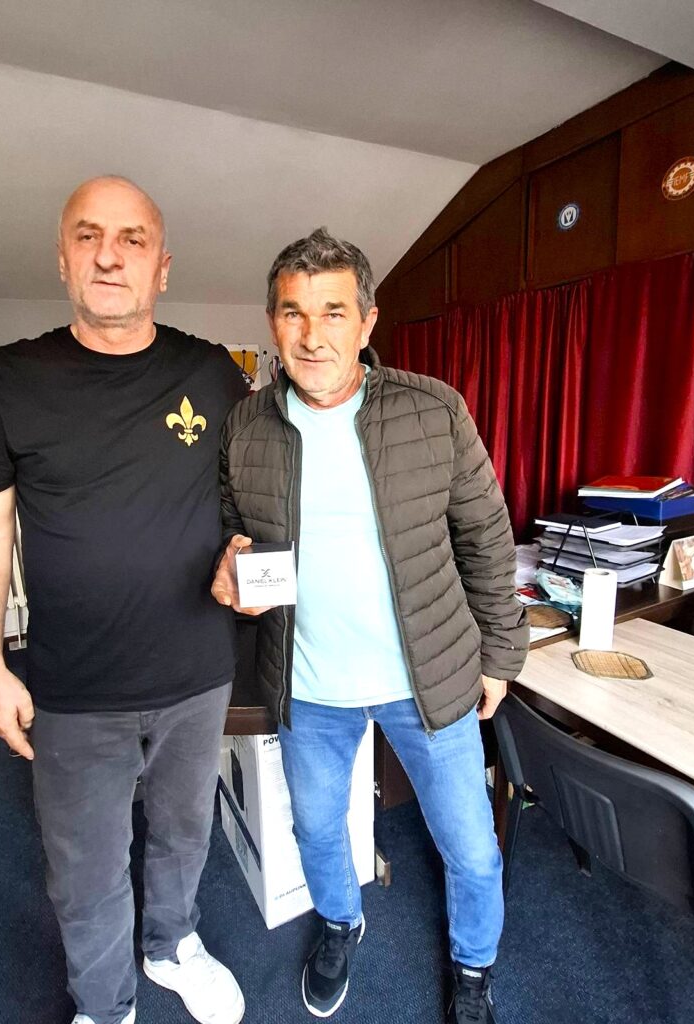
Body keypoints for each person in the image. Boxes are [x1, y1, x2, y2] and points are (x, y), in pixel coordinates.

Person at [0, 176, 248, 1024]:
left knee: (185, 834)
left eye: (131, 239)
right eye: (88, 237)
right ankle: (105, 1003)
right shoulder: (10, 380)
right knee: (85, 868)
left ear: (162, 266)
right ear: (62, 259)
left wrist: (247, 554)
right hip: (75, 689)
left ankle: (172, 943)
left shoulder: (212, 373)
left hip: (197, 675)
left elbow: (248, 498)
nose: (109, 256)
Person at [212, 228, 528, 1024]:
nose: (311, 335)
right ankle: (339, 922)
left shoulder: (433, 409)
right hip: (309, 684)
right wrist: (228, 565)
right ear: (272, 321)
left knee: (471, 847)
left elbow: (486, 538)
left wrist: (501, 655)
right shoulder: (245, 427)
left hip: (429, 680)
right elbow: (228, 530)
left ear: (367, 322)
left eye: (332, 312)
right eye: (293, 313)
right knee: (318, 829)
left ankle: (474, 968)